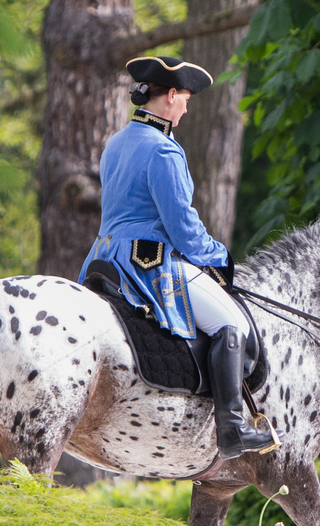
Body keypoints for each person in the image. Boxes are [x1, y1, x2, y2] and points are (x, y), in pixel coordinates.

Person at [80, 55, 275, 459]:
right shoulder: (164, 151)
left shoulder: (116, 143)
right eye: (185, 98)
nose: (186, 107)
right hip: (146, 263)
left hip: (103, 258)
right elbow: (182, 227)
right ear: (170, 95)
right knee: (230, 323)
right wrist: (218, 255)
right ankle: (232, 428)